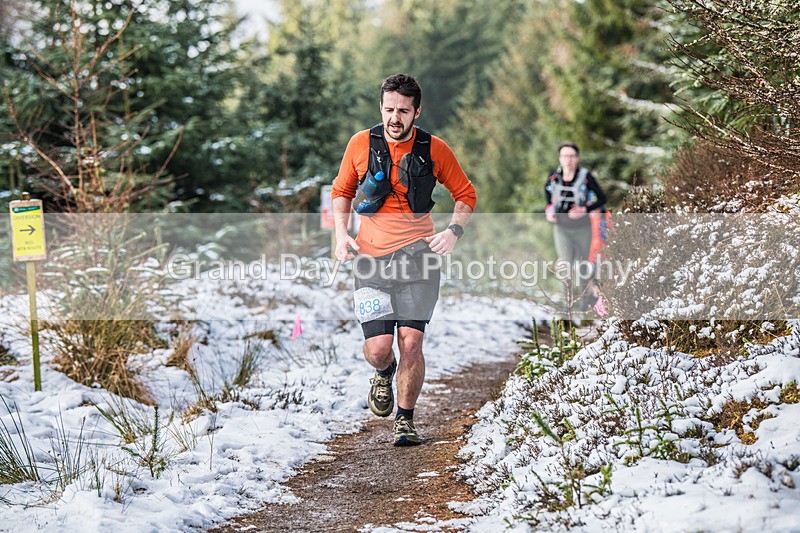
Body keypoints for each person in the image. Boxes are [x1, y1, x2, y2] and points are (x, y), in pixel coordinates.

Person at [331, 73, 476, 446]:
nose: (395, 118)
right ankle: (384, 372)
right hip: (370, 260)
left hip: (418, 258)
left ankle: (405, 419)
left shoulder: (434, 148)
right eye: (389, 109)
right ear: (381, 107)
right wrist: (340, 235)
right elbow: (342, 191)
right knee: (380, 349)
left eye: (403, 111)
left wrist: (452, 231)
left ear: (416, 112)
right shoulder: (361, 143)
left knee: (411, 342)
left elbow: (466, 193)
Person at [544, 142, 606, 314]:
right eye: (565, 156)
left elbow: (602, 198)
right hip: (561, 228)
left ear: (577, 158)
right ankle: (567, 309)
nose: (568, 160)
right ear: (560, 158)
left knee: (584, 267)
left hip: (583, 228)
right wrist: (549, 211)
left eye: (572, 156)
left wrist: (584, 209)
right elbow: (548, 198)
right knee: (565, 266)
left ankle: (586, 304)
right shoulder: (553, 177)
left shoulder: (586, 177)